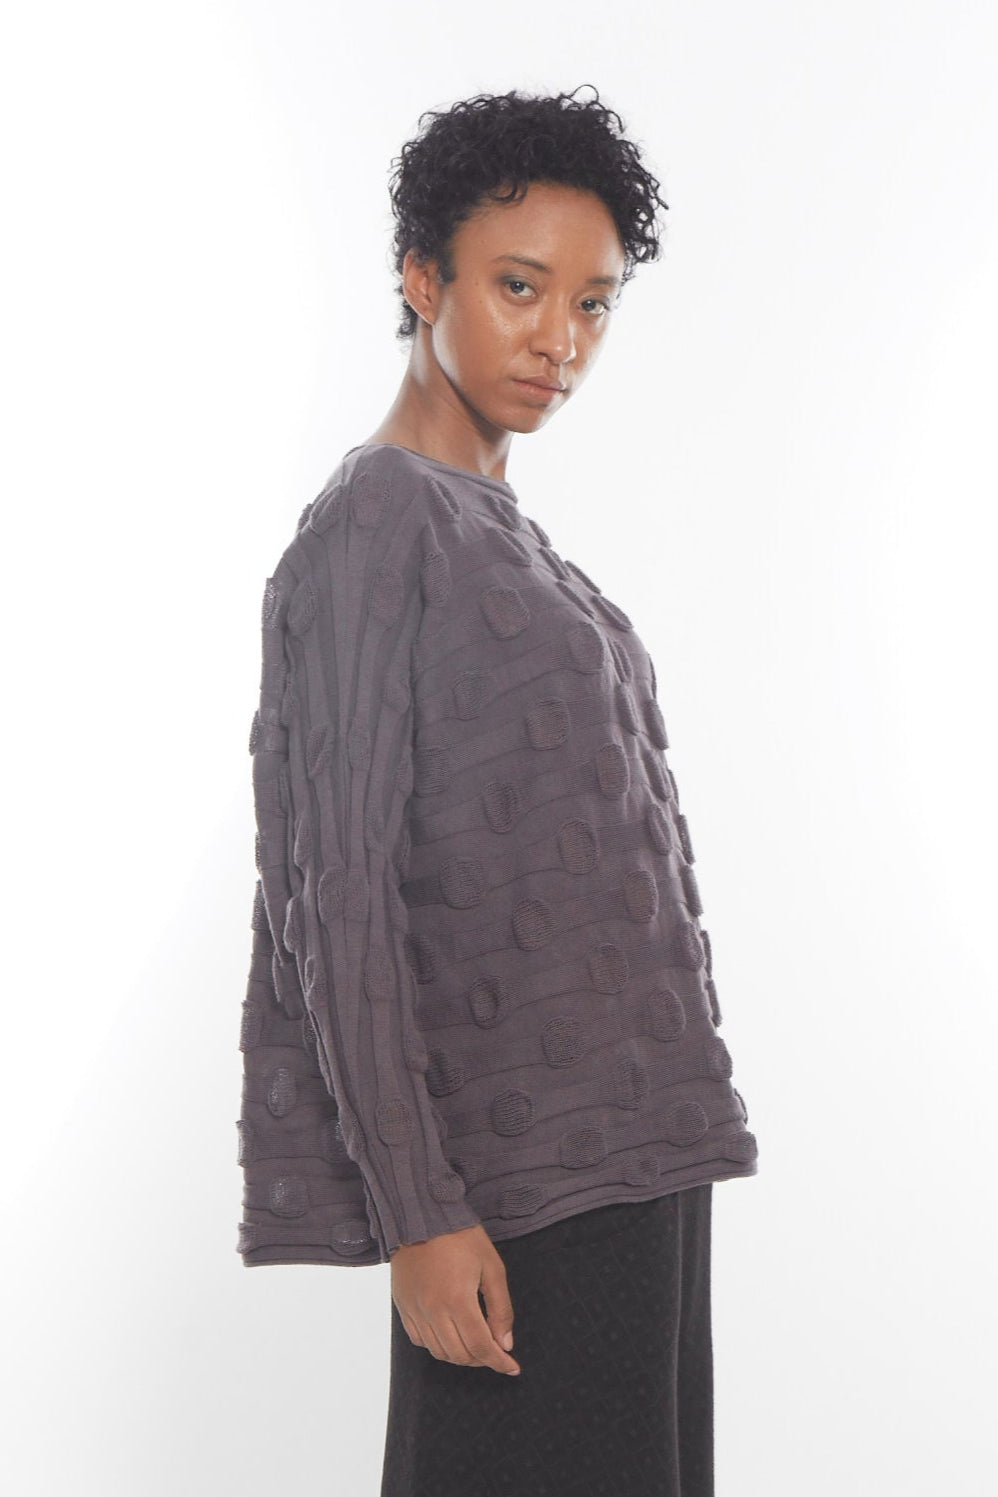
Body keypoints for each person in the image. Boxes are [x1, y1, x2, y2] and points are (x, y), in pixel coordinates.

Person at [236, 84, 759, 1497]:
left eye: (592, 303)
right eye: (518, 287)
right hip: (519, 1182)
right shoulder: (376, 520)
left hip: (634, 1158)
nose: (559, 339)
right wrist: (416, 1213)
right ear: (422, 279)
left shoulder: (504, 534)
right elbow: (335, 896)